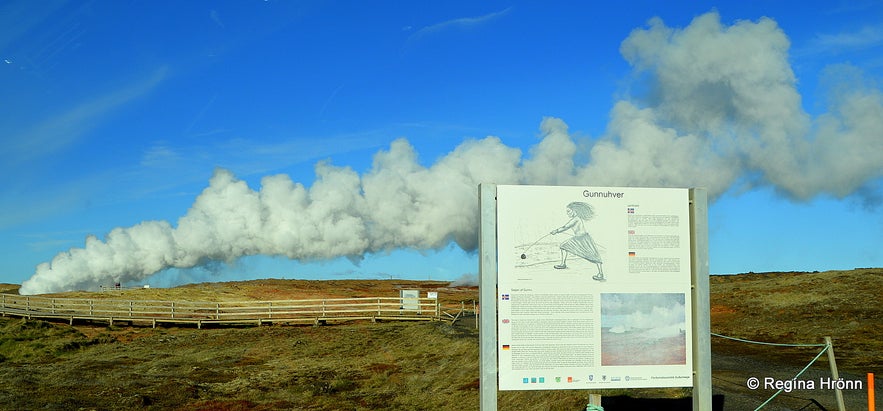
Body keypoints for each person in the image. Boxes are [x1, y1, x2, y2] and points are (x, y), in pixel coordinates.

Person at [551, 202, 604, 281]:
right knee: (563, 246)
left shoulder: (576, 219)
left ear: (574, 211)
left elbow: (565, 227)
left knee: (594, 256)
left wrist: (556, 231)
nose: (567, 213)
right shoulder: (576, 219)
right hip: (577, 238)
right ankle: (563, 264)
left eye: (569, 211)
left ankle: (600, 274)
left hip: (584, 239)